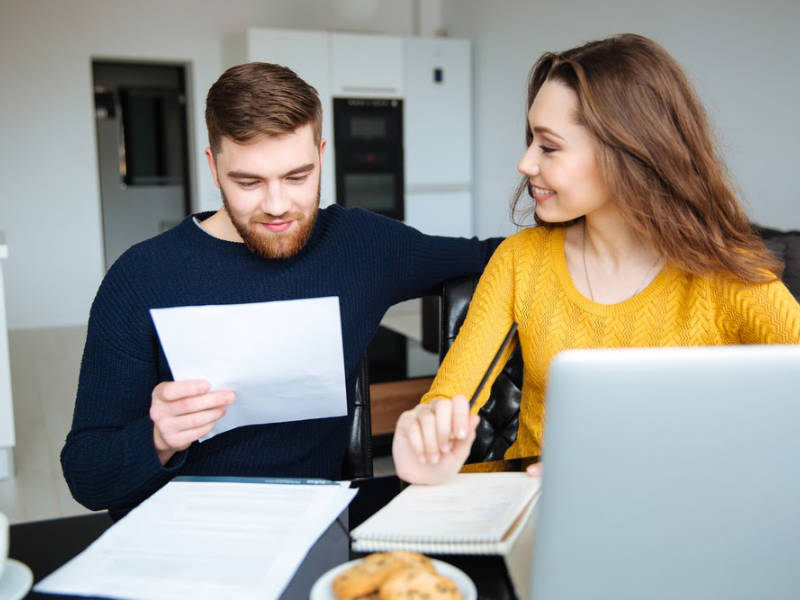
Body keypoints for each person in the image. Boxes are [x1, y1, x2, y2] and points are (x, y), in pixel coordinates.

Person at [61, 62, 502, 518]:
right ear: (213, 166)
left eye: (297, 177)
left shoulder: (361, 246)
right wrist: (156, 440)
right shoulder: (140, 276)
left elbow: (496, 256)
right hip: (178, 530)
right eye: (248, 182)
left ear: (321, 155)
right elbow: (86, 477)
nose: (276, 206)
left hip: (309, 520)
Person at [392, 33, 800, 485]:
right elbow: (449, 398)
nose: (525, 163)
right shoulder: (520, 260)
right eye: (531, 140)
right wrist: (423, 432)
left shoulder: (728, 276)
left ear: (627, 152)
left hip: (687, 512)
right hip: (536, 510)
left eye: (548, 146)